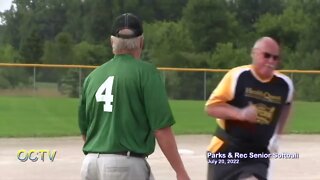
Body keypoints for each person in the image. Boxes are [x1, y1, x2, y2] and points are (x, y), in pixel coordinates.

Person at [78, 13, 190, 180]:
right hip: (125, 166)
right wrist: (180, 171)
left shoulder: (92, 77)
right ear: (141, 42)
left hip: (90, 164)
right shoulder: (146, 73)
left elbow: (85, 130)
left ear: (112, 42)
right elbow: (161, 129)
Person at [205, 37, 294, 180]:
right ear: (254, 53)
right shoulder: (238, 76)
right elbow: (211, 108)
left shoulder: (284, 85)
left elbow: (287, 106)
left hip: (257, 154)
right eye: (266, 55)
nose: (271, 61)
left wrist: (277, 136)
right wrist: (240, 114)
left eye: (275, 58)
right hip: (226, 151)